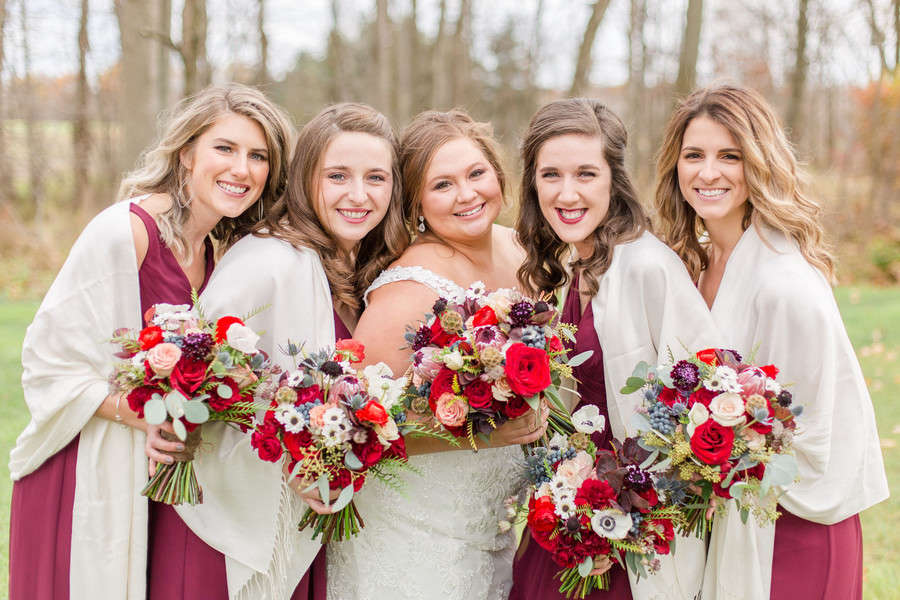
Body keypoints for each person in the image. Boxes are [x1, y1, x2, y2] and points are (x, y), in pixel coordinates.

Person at [8, 83, 294, 600]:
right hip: (83, 475)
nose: (242, 169)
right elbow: (47, 364)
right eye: (224, 148)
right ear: (187, 153)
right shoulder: (125, 232)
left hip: (152, 481)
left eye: (259, 157)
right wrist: (141, 413)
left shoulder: (215, 252)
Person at [653, 84, 889, 600]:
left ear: (758, 164)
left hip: (795, 530)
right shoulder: (693, 265)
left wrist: (711, 462)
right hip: (730, 519)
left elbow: (811, 432)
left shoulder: (785, 285)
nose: (707, 173)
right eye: (694, 155)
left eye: (729, 156)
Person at [166, 102, 407, 600]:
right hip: (233, 534)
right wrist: (290, 457)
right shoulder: (269, 260)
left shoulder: (357, 265)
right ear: (303, 180)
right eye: (337, 175)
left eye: (376, 178)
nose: (358, 195)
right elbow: (197, 383)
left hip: (304, 520)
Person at [326, 109, 549, 600]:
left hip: (491, 525)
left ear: (497, 173)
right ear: (418, 204)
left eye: (476, 173)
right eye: (442, 185)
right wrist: (481, 432)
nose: (467, 195)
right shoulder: (409, 287)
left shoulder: (521, 251)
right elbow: (354, 428)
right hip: (415, 533)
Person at [511, 98, 719, 600]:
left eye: (586, 173)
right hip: (570, 518)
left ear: (613, 180)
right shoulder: (575, 268)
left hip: (630, 534)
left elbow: (703, 397)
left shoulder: (647, 266)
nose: (567, 192)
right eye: (550, 175)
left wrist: (636, 509)